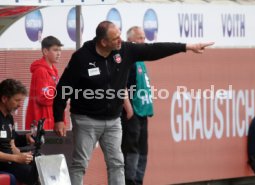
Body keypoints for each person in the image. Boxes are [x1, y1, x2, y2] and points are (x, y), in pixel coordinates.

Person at [53, 20, 214, 185]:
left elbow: (154, 50)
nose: (120, 41)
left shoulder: (124, 50)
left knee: (117, 163)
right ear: (103, 42)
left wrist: (186, 46)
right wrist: (58, 118)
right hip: (86, 119)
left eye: (120, 36)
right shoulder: (81, 57)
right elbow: (64, 88)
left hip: (113, 121)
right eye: (115, 38)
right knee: (80, 164)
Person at [121, 26, 154, 185]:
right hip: (132, 112)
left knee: (143, 150)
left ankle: (139, 180)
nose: (143, 41)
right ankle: (130, 181)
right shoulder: (129, 60)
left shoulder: (141, 60)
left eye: (143, 37)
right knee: (131, 149)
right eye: (139, 38)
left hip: (143, 111)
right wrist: (128, 107)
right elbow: (123, 86)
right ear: (130, 41)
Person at [0, 79, 38, 185]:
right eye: (17, 100)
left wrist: (24, 156)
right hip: (3, 162)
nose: (20, 105)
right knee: (32, 173)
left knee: (41, 163)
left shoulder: (9, 118)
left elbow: (12, 145)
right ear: (4, 98)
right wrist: (17, 158)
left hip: (10, 161)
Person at [26, 35, 66, 131]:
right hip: (43, 122)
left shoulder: (53, 70)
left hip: (51, 119)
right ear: (45, 51)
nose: (59, 53)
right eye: (55, 50)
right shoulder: (41, 71)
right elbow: (43, 97)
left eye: (60, 50)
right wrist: (61, 98)